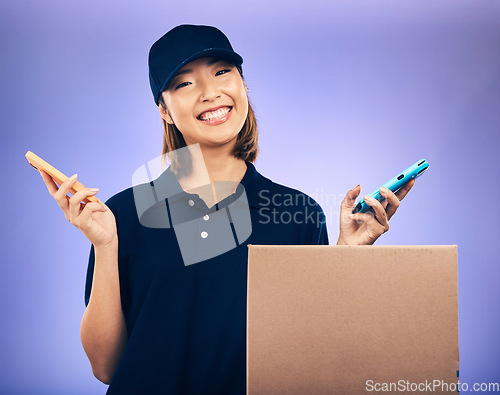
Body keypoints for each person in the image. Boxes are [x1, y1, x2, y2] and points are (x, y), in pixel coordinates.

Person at [39, 24, 415, 394]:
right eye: (184, 83)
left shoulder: (298, 213)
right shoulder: (121, 214)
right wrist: (105, 246)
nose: (210, 92)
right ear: (165, 111)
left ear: (243, 86)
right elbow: (106, 368)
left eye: (222, 72)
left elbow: (309, 351)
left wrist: (347, 257)